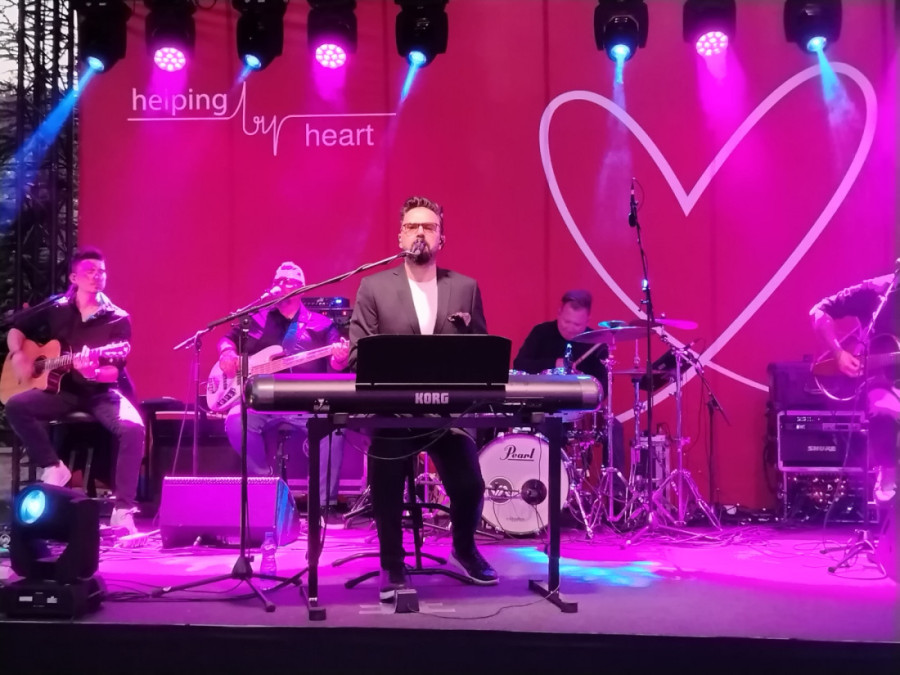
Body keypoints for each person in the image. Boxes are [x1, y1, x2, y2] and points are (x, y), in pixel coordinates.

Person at [348, 195, 498, 601]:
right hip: (393, 412)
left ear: (441, 238)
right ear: (400, 237)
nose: (420, 232)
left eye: (428, 227)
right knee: (386, 479)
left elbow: (480, 351)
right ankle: (392, 563)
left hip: (446, 415)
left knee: (469, 484)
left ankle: (463, 549)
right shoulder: (373, 287)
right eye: (412, 226)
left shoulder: (465, 288)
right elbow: (359, 352)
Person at [5, 247, 144, 534]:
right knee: (16, 405)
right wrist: (18, 354)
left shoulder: (118, 318)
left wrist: (92, 371)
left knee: (133, 428)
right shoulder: (57, 308)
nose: (96, 276)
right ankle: (53, 466)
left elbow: (113, 371)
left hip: (100, 393)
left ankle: (122, 510)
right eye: (89, 271)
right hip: (62, 391)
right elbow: (17, 327)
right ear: (73, 277)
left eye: (101, 272)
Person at [217, 261, 350, 517]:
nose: (281, 285)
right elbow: (227, 340)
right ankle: (265, 484)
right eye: (277, 281)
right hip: (262, 402)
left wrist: (340, 358)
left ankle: (323, 505)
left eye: (288, 282)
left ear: (301, 289)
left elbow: (336, 368)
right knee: (235, 421)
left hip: (306, 404)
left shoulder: (322, 324)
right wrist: (226, 354)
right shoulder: (256, 319)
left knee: (334, 429)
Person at [811, 266, 898, 504]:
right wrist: (838, 353)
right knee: (883, 407)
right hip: (882, 385)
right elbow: (819, 311)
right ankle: (888, 469)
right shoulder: (877, 291)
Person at [513, 289, 625, 471]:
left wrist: (586, 385)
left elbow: (604, 384)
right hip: (546, 409)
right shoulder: (541, 333)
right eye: (566, 321)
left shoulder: (596, 343)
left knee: (614, 428)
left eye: (577, 324)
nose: (571, 328)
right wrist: (553, 363)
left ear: (587, 320)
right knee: (542, 429)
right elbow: (519, 364)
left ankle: (614, 487)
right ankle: (547, 482)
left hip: (582, 411)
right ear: (559, 313)